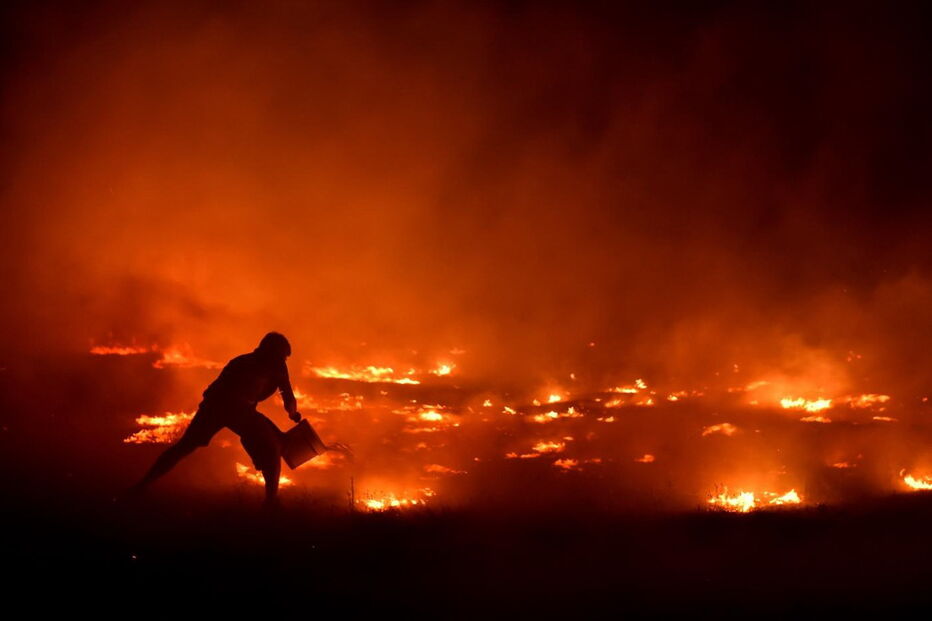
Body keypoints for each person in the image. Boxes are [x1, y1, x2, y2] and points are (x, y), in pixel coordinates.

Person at [128, 332, 302, 505]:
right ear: (268, 352)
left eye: (284, 359)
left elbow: (287, 396)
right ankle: (142, 486)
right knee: (186, 446)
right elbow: (222, 393)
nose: (283, 361)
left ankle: (271, 502)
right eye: (281, 357)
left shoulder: (275, 367)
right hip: (219, 406)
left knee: (271, 447)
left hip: (237, 409)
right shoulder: (243, 364)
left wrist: (292, 413)